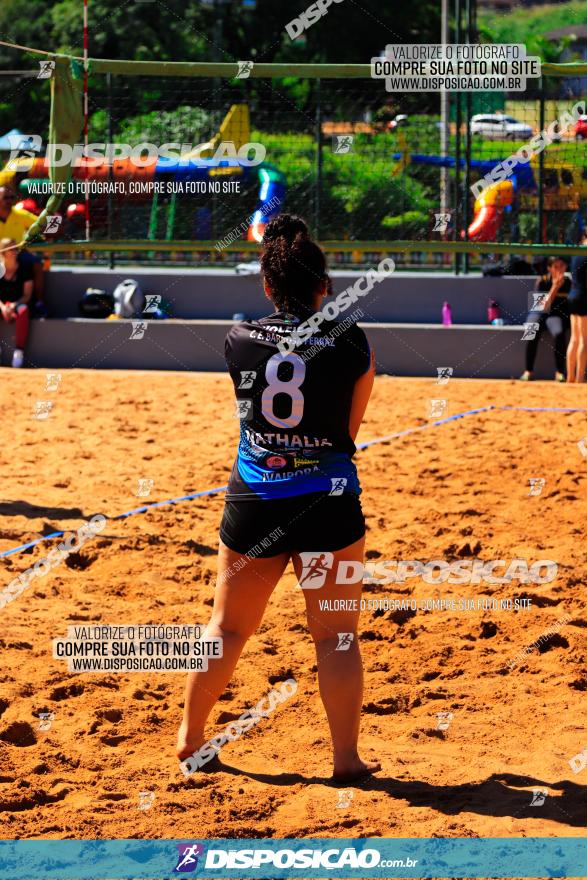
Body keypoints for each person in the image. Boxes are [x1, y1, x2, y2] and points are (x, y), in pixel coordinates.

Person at [176, 214, 379, 782]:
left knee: (227, 629)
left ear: (268, 285)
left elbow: (253, 413)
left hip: (255, 499)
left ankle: (191, 740)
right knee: (336, 635)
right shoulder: (354, 343)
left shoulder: (237, 338)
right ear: (325, 286)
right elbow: (348, 434)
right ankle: (346, 761)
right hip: (328, 499)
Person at [520, 256, 571, 382]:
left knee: (559, 333)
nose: (559, 270)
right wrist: (554, 287)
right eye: (556, 267)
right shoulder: (542, 281)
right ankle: (528, 371)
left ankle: (559, 372)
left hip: (556, 315)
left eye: (562, 266)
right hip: (539, 312)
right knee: (531, 330)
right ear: (549, 268)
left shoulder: (569, 282)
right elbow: (542, 307)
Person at [0, 185, 45, 310]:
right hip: (0, 255)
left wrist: (56, 223)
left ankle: (40, 303)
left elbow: (41, 225)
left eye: (11, 197)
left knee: (36, 263)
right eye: (5, 198)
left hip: (17, 253)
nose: (9, 200)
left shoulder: (20, 214)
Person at [0, 238, 33, 367]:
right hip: (2, 306)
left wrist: (13, 305)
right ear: (3, 253)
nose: (14, 251)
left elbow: (27, 295)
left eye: (15, 248)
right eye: (10, 249)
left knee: (23, 309)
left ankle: (19, 352)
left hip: (18, 305)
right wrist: (3, 308)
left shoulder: (24, 269)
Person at [567, 231, 587, 383]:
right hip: (583, 297)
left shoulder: (576, 252)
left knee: (574, 339)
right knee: (584, 340)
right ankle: (580, 378)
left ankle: (570, 377)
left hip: (573, 295)